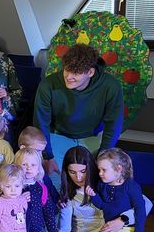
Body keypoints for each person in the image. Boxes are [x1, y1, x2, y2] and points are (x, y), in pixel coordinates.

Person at [34, 43, 124, 179]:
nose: (69, 77)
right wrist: (48, 156)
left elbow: (114, 124)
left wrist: (103, 155)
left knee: (95, 179)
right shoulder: (48, 85)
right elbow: (41, 122)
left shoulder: (111, 86)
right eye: (67, 70)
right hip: (58, 135)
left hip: (92, 137)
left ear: (90, 72)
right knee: (55, 179)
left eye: (75, 73)